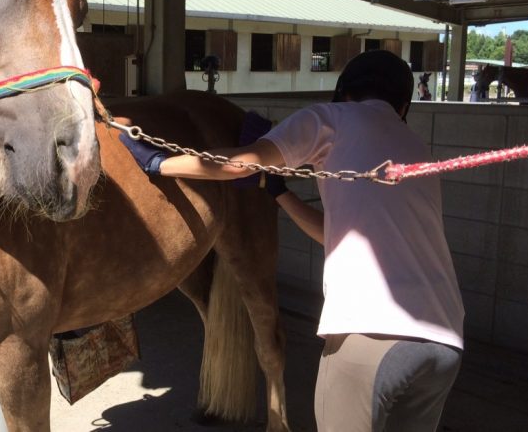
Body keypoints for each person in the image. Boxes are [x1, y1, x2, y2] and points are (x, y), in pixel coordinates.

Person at [120, 50, 464, 432]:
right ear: (403, 105)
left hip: (373, 335)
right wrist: (280, 194)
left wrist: (158, 163)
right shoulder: (416, 148)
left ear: (343, 93)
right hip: (443, 343)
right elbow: (333, 233)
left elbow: (243, 162)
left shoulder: (329, 118)